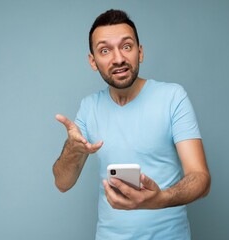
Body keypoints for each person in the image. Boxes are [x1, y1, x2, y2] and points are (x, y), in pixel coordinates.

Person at [53, 9, 211, 240]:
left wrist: (161, 199)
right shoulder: (89, 107)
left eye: (126, 46)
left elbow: (201, 178)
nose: (118, 58)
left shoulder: (173, 97)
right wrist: (72, 150)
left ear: (140, 52)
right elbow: (62, 183)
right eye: (104, 50)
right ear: (93, 61)